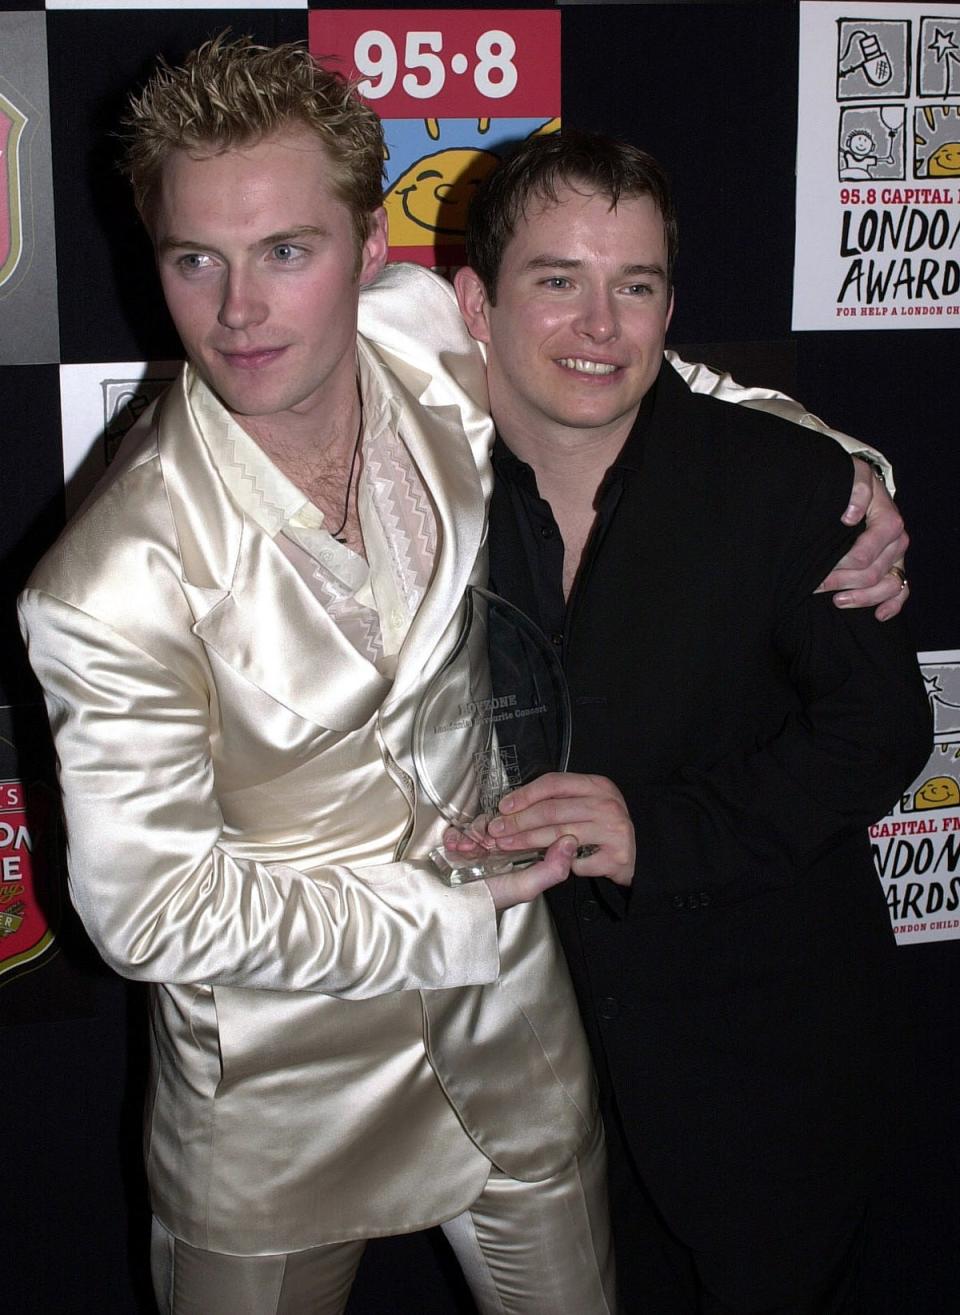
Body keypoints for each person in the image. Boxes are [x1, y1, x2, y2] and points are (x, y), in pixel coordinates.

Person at [18, 40, 621, 1315]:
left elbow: (624, 381)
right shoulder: (106, 580)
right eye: (198, 261)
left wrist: (826, 459)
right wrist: (447, 919)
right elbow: (148, 911)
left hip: (516, 1047)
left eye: (287, 252)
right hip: (276, 1118)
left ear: (370, 247)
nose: (239, 311)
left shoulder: (416, 332)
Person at [447, 131, 931, 1313]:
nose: (600, 328)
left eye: (638, 286)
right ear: (476, 302)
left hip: (769, 1069)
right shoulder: (418, 492)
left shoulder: (788, 482)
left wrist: (659, 831)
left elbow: (883, 731)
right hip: (527, 1088)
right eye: (557, 280)